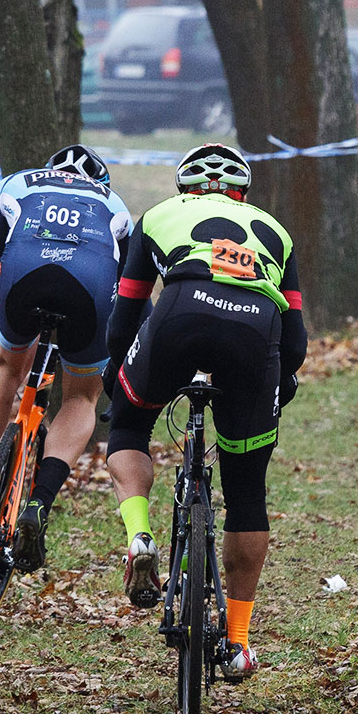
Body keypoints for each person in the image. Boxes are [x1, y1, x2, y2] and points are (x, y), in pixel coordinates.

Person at [103, 142, 306, 680]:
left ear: (184, 188)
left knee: (128, 423)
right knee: (245, 491)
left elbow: (125, 316)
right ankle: (237, 642)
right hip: (255, 326)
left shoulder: (156, 218)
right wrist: (280, 382)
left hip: (180, 314)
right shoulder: (276, 229)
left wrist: (117, 381)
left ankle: (140, 535)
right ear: (243, 193)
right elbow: (297, 340)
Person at [0, 145, 132, 570]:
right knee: (81, 396)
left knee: (6, 367)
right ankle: (38, 505)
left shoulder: (16, 183)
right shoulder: (114, 204)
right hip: (90, 289)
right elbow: (131, 295)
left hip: (23, 277)